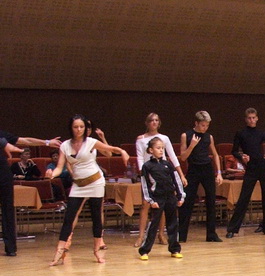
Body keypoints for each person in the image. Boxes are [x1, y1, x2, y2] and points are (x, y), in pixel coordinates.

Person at [46, 114, 129, 265]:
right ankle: (59, 251)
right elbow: (59, 167)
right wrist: (52, 174)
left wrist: (122, 152)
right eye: (76, 127)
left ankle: (97, 251)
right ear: (71, 128)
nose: (79, 130)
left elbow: (110, 150)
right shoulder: (65, 145)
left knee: (96, 216)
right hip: (78, 185)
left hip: (95, 182)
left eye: (81, 127)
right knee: (69, 217)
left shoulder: (91, 142)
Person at [0, 129, 61, 257]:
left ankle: (10, 247)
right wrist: (4, 144)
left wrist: (47, 142)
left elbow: (25, 140)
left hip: (3, 173)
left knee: (8, 208)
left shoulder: (2, 134)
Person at [134, 112, 185, 248]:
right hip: (148, 173)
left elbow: (172, 156)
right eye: (151, 120)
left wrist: (181, 174)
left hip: (162, 174)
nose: (154, 122)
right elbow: (140, 157)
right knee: (145, 204)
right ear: (147, 123)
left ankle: (161, 234)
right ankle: (141, 236)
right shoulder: (141, 139)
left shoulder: (164, 138)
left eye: (156, 120)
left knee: (162, 205)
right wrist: (142, 172)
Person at [225, 108, 265, 238]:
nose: (251, 120)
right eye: (249, 118)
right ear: (246, 119)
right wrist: (241, 156)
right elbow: (234, 151)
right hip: (251, 166)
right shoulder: (241, 133)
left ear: (257, 118)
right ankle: (232, 229)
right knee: (244, 197)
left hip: (262, 165)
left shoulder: (261, 133)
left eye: (253, 118)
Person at [178, 111, 223, 242]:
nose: (205, 128)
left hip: (207, 169)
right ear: (196, 123)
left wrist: (219, 172)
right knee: (187, 201)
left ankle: (211, 234)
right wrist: (192, 145)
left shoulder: (209, 137)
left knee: (211, 201)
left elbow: (215, 155)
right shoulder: (186, 135)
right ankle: (182, 235)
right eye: (203, 125)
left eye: (207, 125)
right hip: (193, 169)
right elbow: (183, 157)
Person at [138, 137, 185, 260]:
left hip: (170, 197)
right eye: (158, 148)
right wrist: (151, 200)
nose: (161, 150)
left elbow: (176, 180)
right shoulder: (147, 166)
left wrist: (180, 196)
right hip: (157, 198)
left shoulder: (168, 164)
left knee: (173, 223)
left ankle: (175, 249)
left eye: (162, 148)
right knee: (153, 224)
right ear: (151, 150)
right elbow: (145, 185)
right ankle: (144, 250)